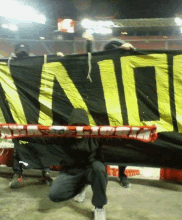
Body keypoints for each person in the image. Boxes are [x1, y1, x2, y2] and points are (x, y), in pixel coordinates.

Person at [82, 33, 134, 188]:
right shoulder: (100, 64)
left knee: (121, 143)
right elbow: (89, 59)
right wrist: (89, 44)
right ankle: (100, 172)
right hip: (102, 110)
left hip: (121, 110)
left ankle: (122, 173)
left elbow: (142, 62)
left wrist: (132, 49)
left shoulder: (126, 64)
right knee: (101, 144)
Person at [49, 108, 107, 220]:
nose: (79, 129)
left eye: (82, 125)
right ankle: (81, 187)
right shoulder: (64, 136)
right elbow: (42, 138)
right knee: (55, 195)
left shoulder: (95, 136)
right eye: (75, 125)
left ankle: (99, 207)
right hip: (71, 172)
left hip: (91, 169)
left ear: (86, 126)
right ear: (70, 126)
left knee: (99, 168)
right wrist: (16, 134)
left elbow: (118, 140)